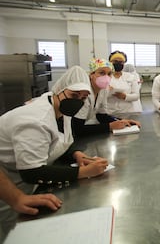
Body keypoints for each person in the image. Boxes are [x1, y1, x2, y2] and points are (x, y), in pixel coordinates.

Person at [0, 66, 108, 212]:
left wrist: (75, 154)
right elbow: (31, 172)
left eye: (83, 98)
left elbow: (60, 140)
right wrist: (83, 173)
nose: (77, 102)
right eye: (74, 95)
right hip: (8, 188)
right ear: (59, 90)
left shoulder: (63, 111)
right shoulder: (36, 120)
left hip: (26, 182)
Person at [71, 58, 141, 139]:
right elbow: (77, 129)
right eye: (101, 73)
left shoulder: (103, 90)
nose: (106, 77)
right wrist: (109, 127)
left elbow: (102, 116)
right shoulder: (84, 94)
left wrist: (122, 121)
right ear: (91, 74)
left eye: (109, 74)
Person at [107, 51, 141, 115]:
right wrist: (107, 91)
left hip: (128, 112)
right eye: (115, 61)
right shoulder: (105, 77)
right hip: (109, 113)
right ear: (110, 62)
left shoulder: (130, 77)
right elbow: (99, 96)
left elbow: (136, 96)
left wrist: (125, 96)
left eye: (121, 62)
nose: (118, 63)